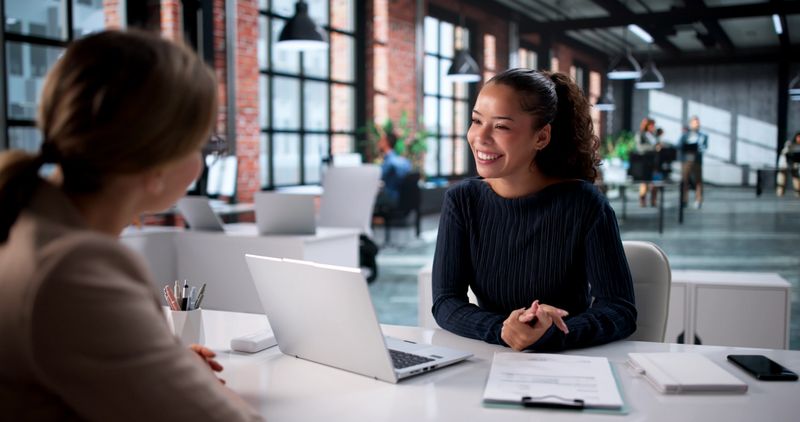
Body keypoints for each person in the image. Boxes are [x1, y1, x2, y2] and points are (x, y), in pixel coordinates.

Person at [0, 30, 262, 420]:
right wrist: (191, 386)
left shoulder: (25, 219)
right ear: (157, 164)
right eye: (203, 144)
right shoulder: (74, 269)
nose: (204, 160)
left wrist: (158, 363)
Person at [431, 68, 637, 352]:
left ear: (541, 137)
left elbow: (620, 310)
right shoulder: (462, 201)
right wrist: (504, 331)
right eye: (476, 121)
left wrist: (554, 333)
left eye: (501, 126)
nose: (480, 137)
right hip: (491, 361)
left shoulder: (586, 204)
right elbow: (445, 302)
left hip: (569, 364)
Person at [677, 116, 709, 209]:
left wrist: (697, 148)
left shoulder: (703, 136)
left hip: (697, 160)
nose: (697, 124)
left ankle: (698, 200)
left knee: (698, 181)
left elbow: (704, 147)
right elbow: (679, 145)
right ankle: (684, 200)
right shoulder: (685, 135)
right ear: (691, 124)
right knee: (684, 180)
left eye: (698, 122)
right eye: (695, 122)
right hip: (686, 160)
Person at [377, 129, 412, 206]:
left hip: (391, 197)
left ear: (386, 143)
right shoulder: (404, 161)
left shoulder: (389, 162)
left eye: (381, 140)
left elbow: (377, 177)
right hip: (402, 198)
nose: (378, 143)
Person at [635, 117, 659, 207]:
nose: (653, 127)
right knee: (644, 182)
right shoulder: (640, 134)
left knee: (655, 182)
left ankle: (653, 200)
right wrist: (653, 148)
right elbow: (639, 147)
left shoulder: (654, 135)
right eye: (652, 125)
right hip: (644, 162)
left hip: (654, 161)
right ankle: (642, 200)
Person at [777, 131, 800, 197]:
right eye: (798, 137)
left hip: (795, 165)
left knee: (796, 178)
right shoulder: (789, 144)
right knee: (781, 178)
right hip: (784, 164)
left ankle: (798, 193)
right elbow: (785, 154)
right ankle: (780, 193)